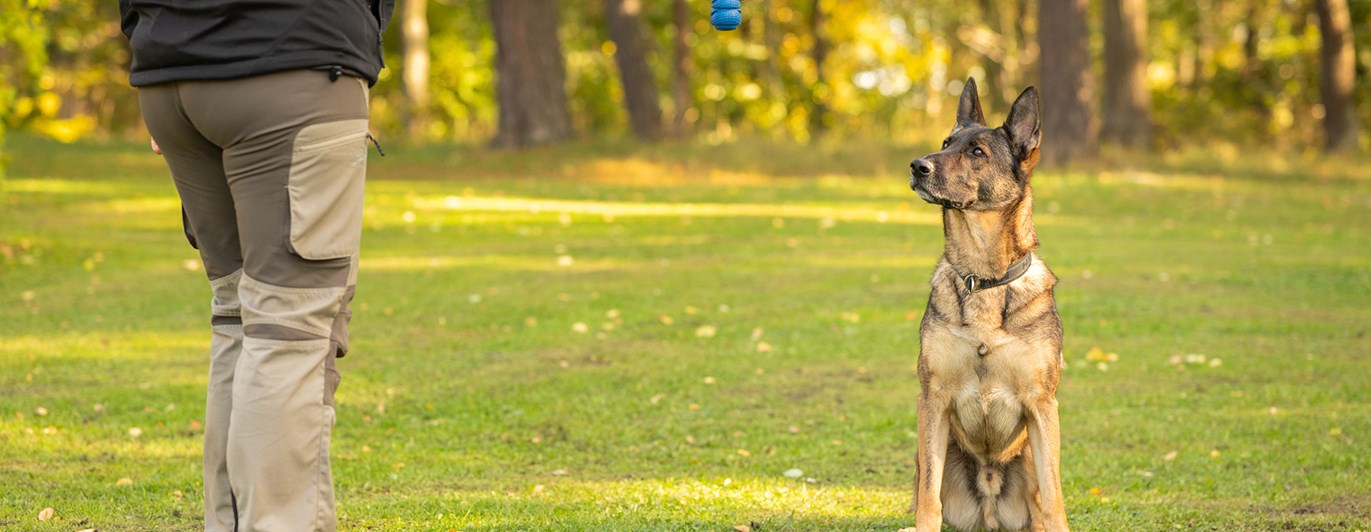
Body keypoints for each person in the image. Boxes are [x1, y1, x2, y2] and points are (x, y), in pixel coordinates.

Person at [119, 2, 394, 530]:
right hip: (293, 64)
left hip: (171, 76)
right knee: (288, 325)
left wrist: (151, 53)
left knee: (239, 312)